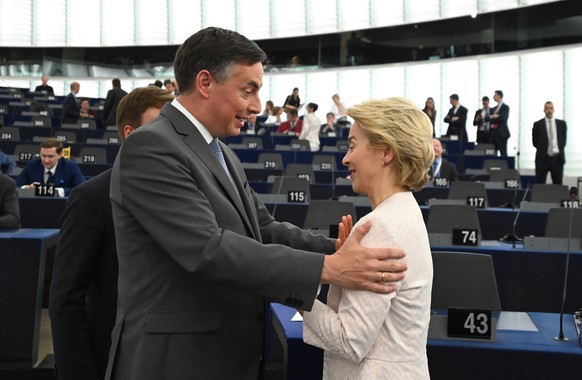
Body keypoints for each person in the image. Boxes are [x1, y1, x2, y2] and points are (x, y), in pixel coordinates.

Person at [105, 26, 406, 380]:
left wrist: (339, 248)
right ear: (205, 83)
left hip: (224, 356)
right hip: (176, 361)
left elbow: (262, 229)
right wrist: (329, 267)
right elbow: (207, 248)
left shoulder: (222, 153)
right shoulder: (150, 146)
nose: (257, 106)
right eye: (248, 90)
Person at [303, 97, 434, 379]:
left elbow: (349, 341)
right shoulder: (404, 210)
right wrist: (341, 268)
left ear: (386, 152)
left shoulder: (380, 226)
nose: (346, 158)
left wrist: (296, 293)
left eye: (352, 145)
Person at [49, 86, 174, 380]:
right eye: (162, 127)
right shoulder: (90, 198)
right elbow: (66, 301)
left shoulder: (186, 194)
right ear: (131, 134)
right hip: (112, 360)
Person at [16, 138, 85, 197]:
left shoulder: (70, 167)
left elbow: (81, 189)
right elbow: (17, 186)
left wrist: (58, 191)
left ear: (60, 154)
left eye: (50, 156)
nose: (46, 160)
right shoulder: (32, 165)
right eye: (43, 156)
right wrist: (26, 188)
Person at [532, 101, 567, 184]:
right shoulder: (538, 124)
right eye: (547, 108)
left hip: (557, 159)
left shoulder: (561, 124)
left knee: (558, 185)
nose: (549, 110)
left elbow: (563, 141)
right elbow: (535, 142)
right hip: (542, 159)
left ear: (554, 110)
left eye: (551, 108)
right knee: (540, 185)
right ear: (544, 110)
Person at [486, 90, 510, 156]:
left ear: (499, 96)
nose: (493, 97)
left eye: (495, 95)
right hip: (493, 133)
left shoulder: (505, 107)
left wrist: (492, 117)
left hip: (501, 133)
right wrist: (494, 116)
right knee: (491, 152)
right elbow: (487, 118)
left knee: (503, 152)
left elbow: (502, 118)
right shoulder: (493, 108)